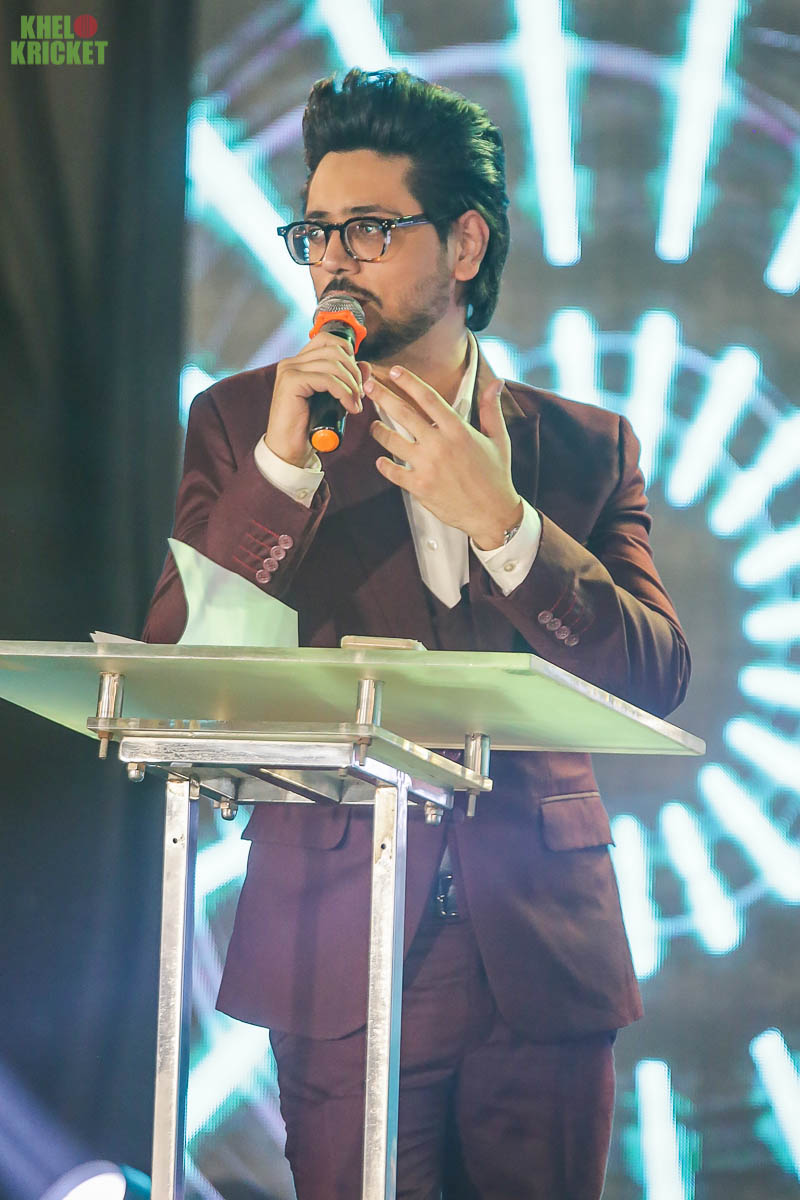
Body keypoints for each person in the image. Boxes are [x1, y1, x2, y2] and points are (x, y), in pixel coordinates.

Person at [144, 68, 690, 1200]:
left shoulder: (583, 448)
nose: (332, 262)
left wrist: (504, 522)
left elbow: (654, 675)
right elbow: (175, 671)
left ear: (464, 244)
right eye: (316, 233)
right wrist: (282, 472)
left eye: (371, 229)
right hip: (336, 943)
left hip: (541, 949)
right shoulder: (242, 423)